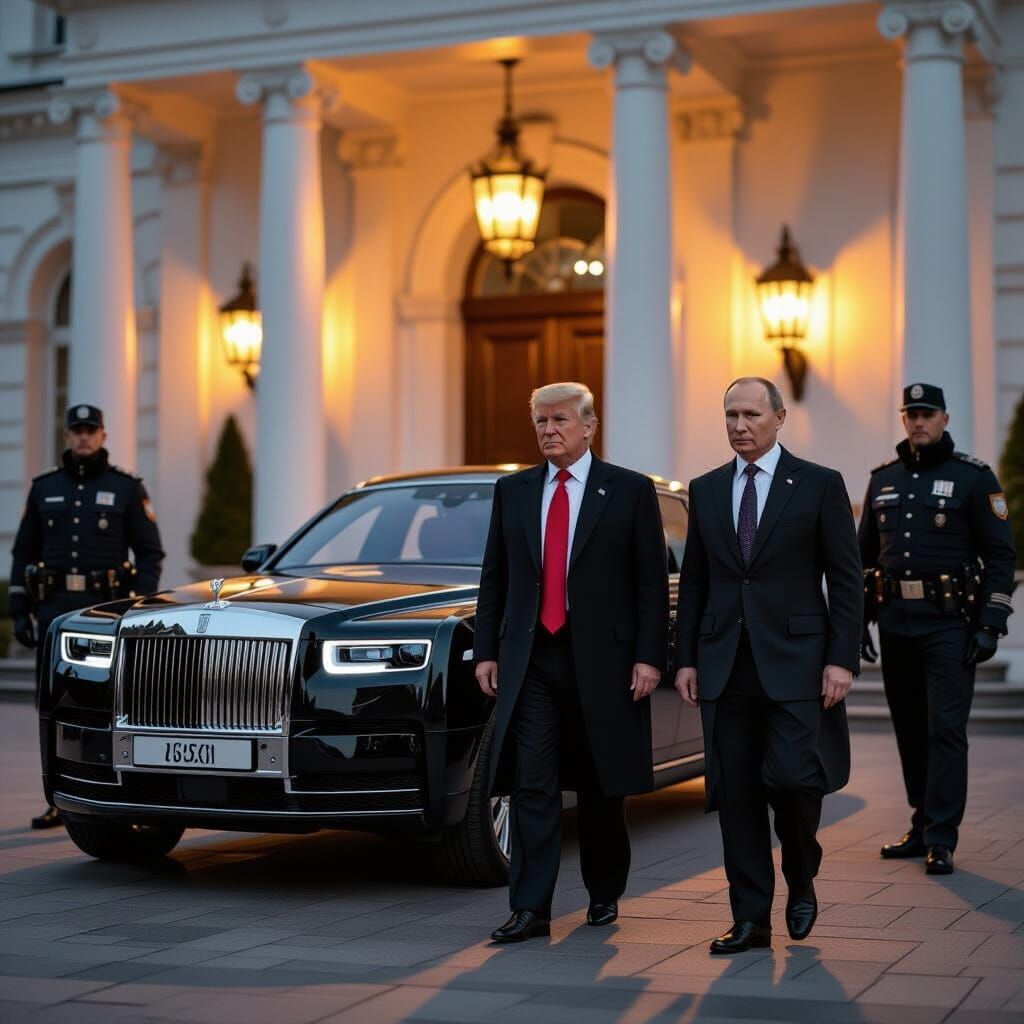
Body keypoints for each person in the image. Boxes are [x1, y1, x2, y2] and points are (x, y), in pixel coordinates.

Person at [475, 381, 669, 943]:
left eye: (560, 419)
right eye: (541, 420)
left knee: (602, 784)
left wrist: (649, 657)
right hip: (533, 658)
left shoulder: (629, 490)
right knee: (532, 785)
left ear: (589, 426)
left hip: (606, 662)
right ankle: (530, 908)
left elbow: (650, 582)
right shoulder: (513, 491)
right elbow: (495, 577)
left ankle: (603, 891)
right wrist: (487, 650)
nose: (549, 429)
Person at [674, 377, 862, 954]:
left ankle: (801, 874)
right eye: (730, 414)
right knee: (735, 796)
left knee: (794, 780)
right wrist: (686, 659)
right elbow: (697, 580)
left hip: (798, 664)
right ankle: (751, 919)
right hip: (724, 665)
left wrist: (841, 659)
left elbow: (846, 579)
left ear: (779, 418)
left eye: (751, 414)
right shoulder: (705, 489)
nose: (739, 425)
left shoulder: (819, 484)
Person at [859, 383, 1016, 875]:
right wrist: (859, 620)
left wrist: (991, 623)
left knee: (945, 729)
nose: (919, 422)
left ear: (945, 419)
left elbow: (1001, 555)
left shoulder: (974, 477)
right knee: (909, 727)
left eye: (928, 414)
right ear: (904, 420)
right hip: (896, 623)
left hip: (950, 625)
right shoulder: (883, 479)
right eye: (911, 414)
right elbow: (863, 557)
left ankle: (942, 836)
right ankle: (922, 821)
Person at [9, 404, 165, 829]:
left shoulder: (126, 487)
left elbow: (150, 553)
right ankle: (59, 796)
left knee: (110, 703)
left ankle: (122, 792)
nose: (83, 437)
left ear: (103, 436)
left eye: (90, 430)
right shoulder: (44, 488)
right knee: (54, 705)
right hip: (55, 611)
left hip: (104, 612)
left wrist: (137, 607)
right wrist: (20, 608)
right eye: (77, 430)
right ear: (67, 435)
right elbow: (23, 552)